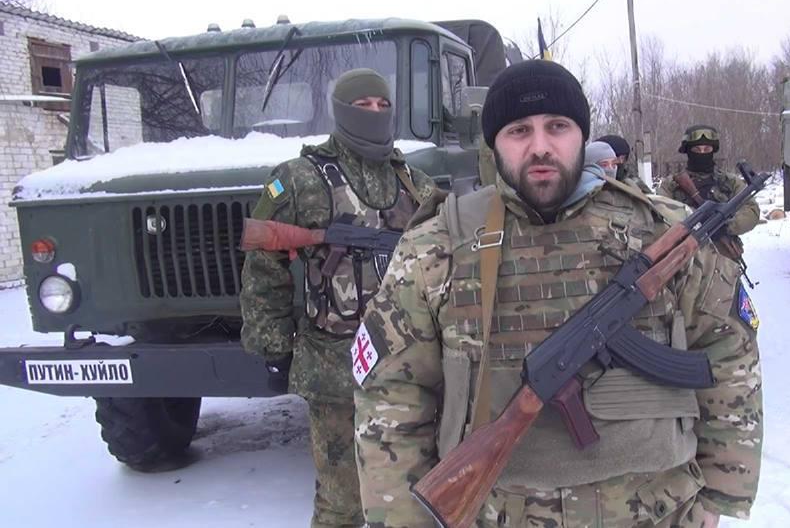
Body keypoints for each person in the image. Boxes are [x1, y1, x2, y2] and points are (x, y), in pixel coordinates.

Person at [353, 60, 763, 527]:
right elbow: (391, 393)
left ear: (581, 135)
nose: (540, 146)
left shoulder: (662, 230)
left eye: (557, 126)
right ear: (493, 143)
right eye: (519, 130)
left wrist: (719, 497)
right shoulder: (437, 245)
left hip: (657, 512)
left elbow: (729, 352)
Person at [239, 68, 435, 527]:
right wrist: (273, 342)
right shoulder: (299, 178)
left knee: (414, 494)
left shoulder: (413, 181)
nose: (374, 113)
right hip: (334, 367)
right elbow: (263, 263)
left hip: (407, 365)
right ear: (341, 111)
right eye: (362, 105)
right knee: (341, 500)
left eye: (382, 105)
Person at [656, 125, 760, 242]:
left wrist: (726, 225)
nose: (702, 153)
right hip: (684, 246)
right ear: (688, 151)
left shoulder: (729, 181)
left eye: (707, 149)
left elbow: (751, 210)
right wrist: (690, 224)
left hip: (723, 248)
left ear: (713, 150)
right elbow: (659, 213)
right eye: (696, 150)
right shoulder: (671, 184)